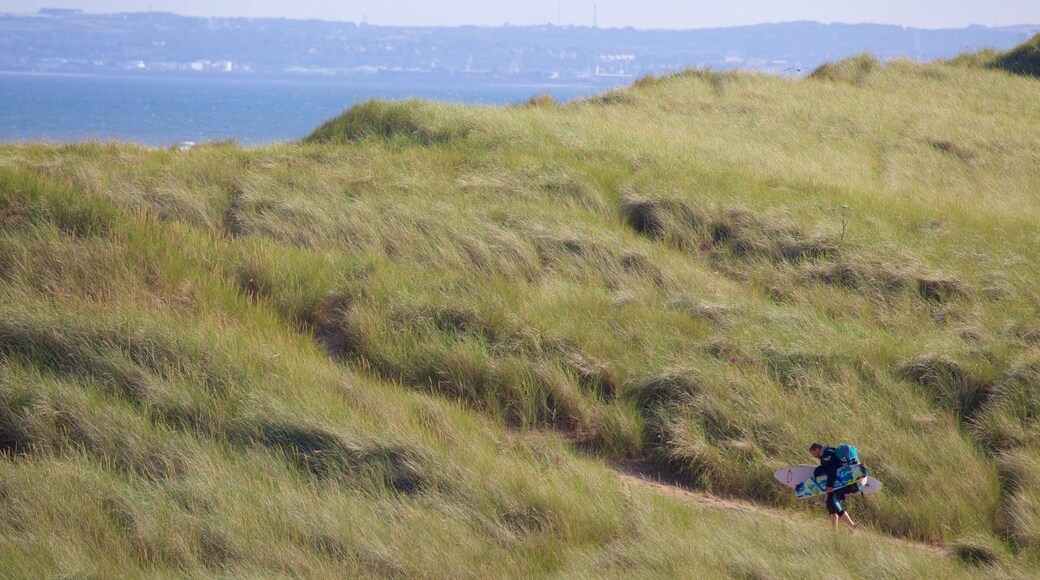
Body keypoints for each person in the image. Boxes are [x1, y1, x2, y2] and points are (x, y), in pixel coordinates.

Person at [809, 442, 859, 531]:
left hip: (840, 483)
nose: (814, 456)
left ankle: (852, 526)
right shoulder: (828, 453)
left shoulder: (827, 454)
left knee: (832, 503)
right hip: (838, 483)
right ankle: (834, 532)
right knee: (830, 505)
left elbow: (832, 470)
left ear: (817, 449)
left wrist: (829, 485)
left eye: (813, 453)